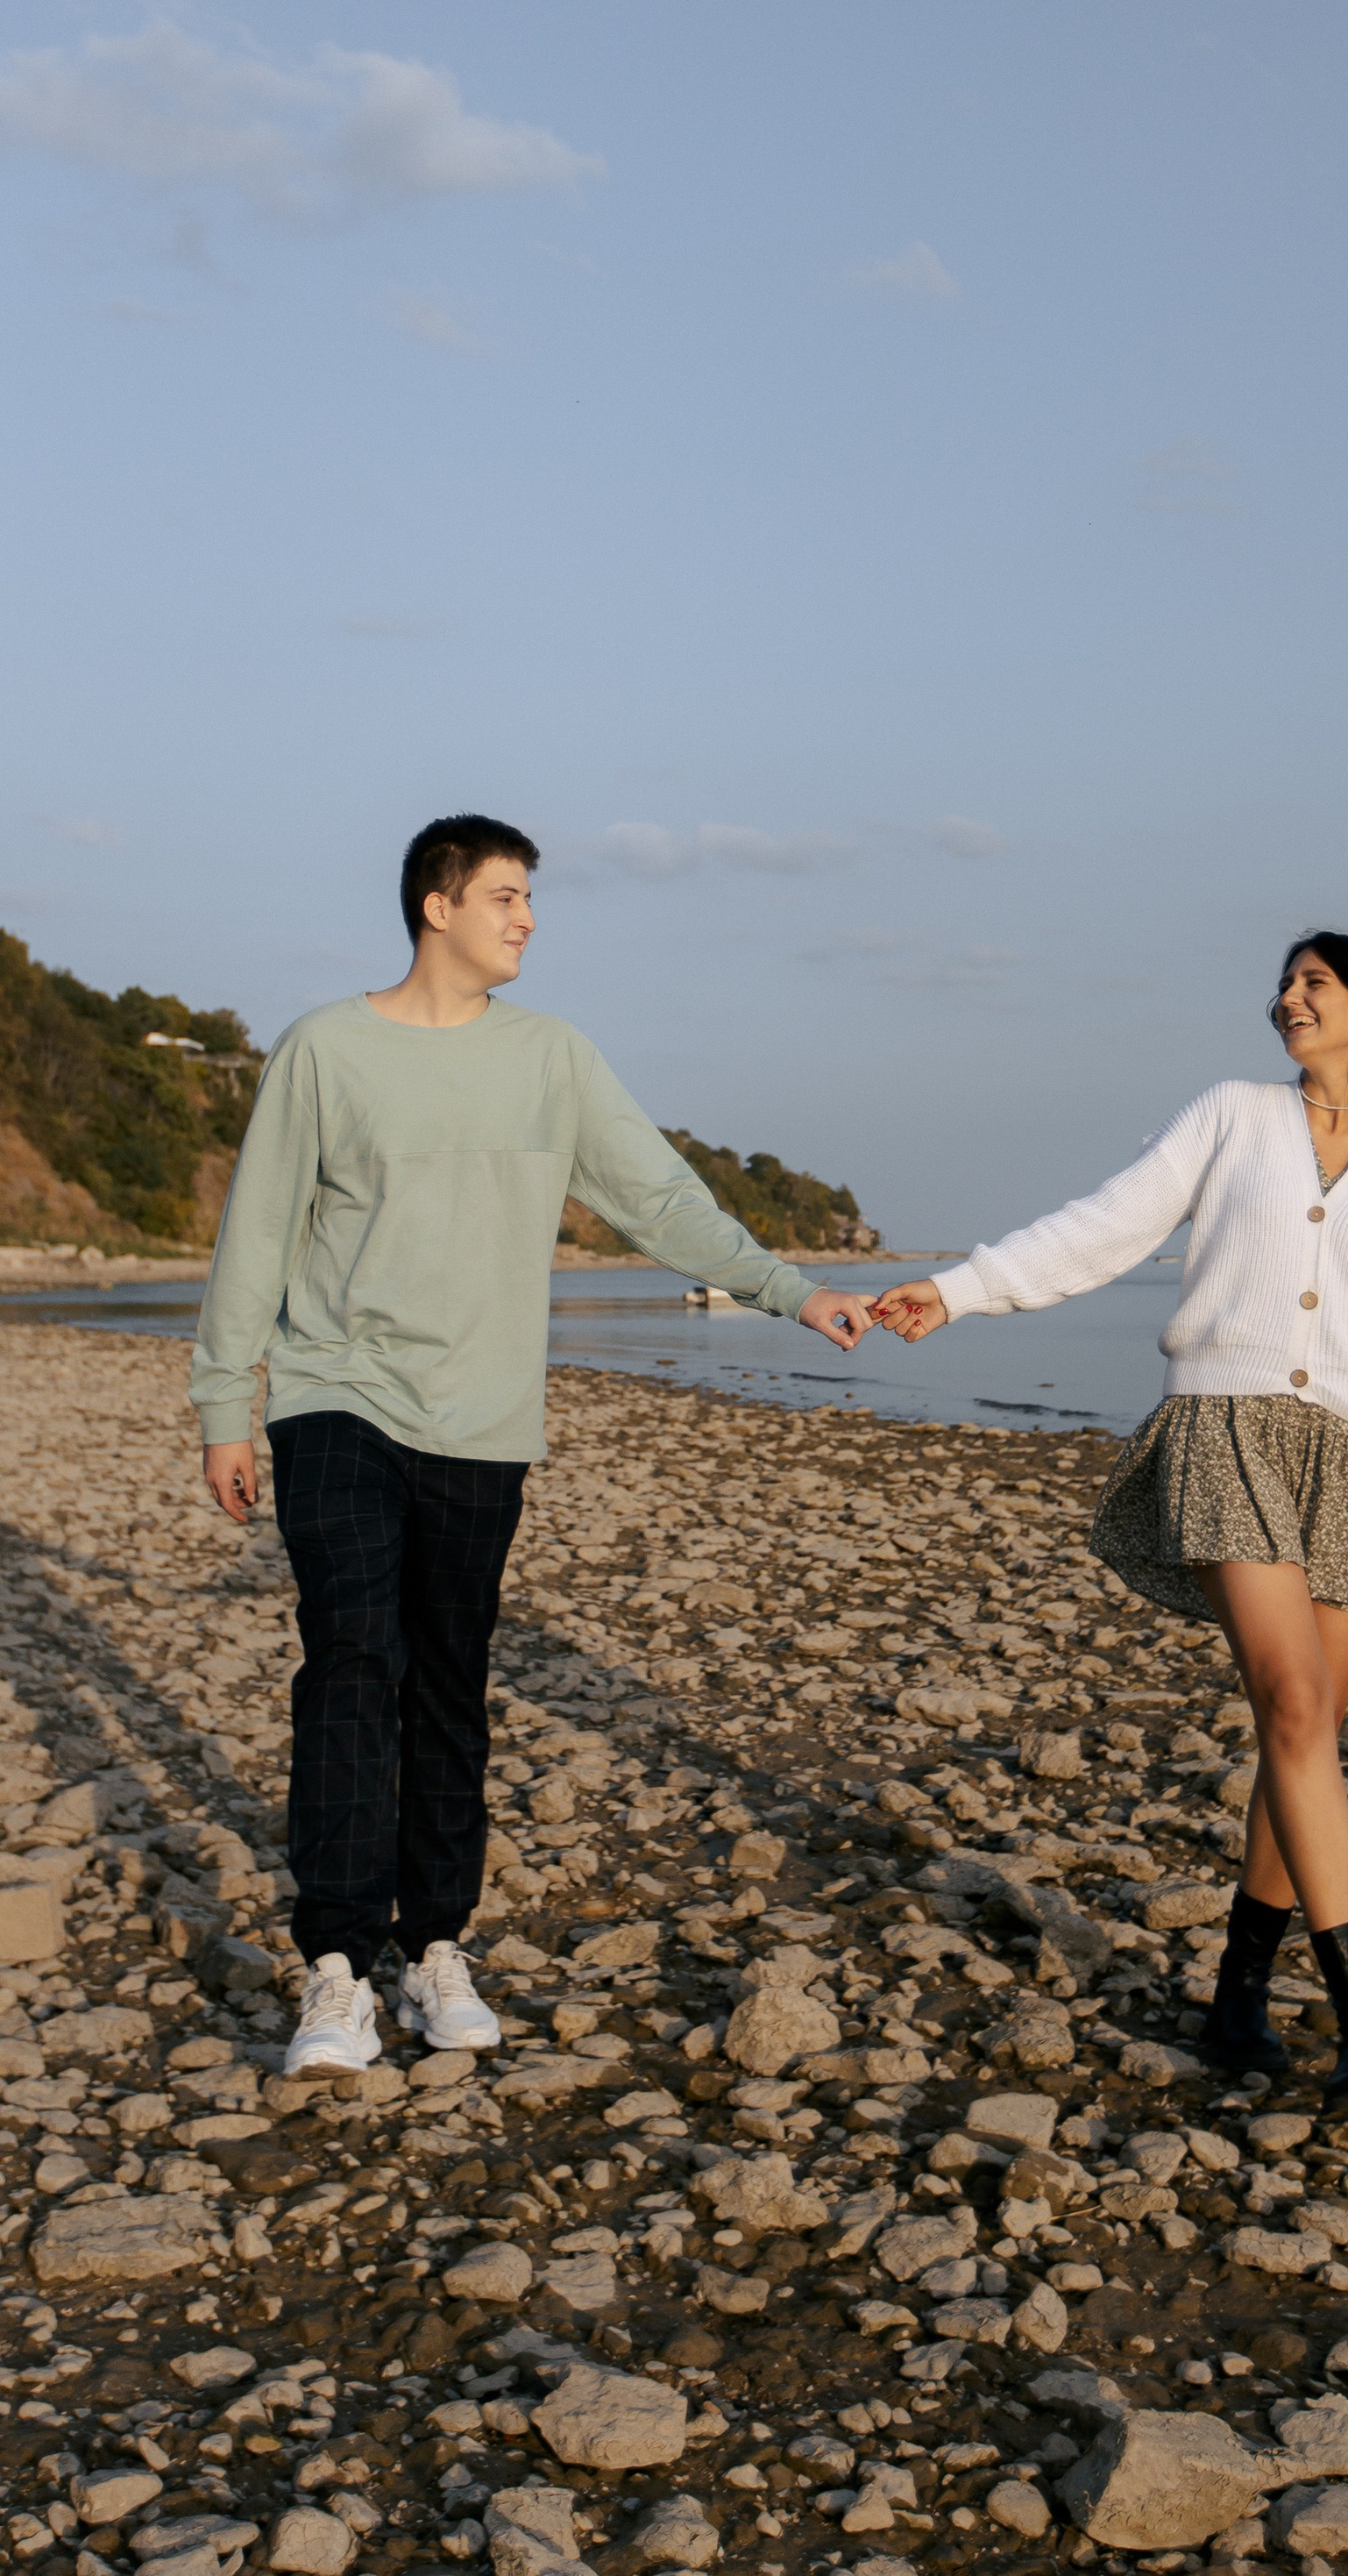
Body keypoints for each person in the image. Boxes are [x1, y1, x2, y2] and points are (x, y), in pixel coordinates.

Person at [192, 813, 873, 2078]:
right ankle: (337, 1966)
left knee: (447, 1678)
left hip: (482, 1419)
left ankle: (435, 1944)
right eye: (507, 895)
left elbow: (660, 1198)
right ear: (436, 905)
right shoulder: (324, 1050)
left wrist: (791, 1290)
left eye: (529, 897)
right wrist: (225, 1404)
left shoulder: (553, 1059)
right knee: (351, 1660)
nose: (529, 917)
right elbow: (258, 1232)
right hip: (334, 1397)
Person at [869, 931, 1348, 2106]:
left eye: (1315, 983)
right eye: (1286, 983)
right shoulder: (1231, 1117)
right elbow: (1104, 1225)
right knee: (1296, 1707)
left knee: (1300, 1739)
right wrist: (958, 1289)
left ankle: (1240, 1992)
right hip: (1228, 1433)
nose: (1290, 998)